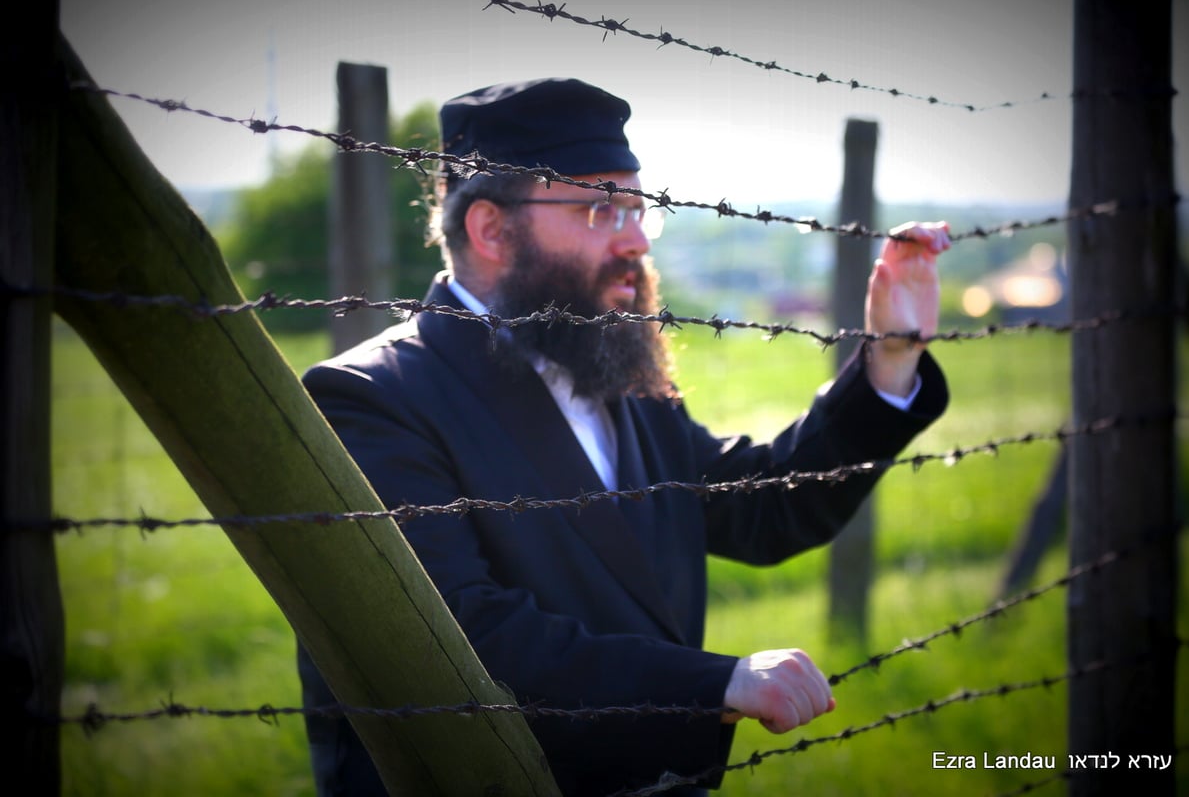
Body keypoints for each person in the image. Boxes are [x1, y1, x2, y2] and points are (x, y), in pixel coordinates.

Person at [296, 77, 951, 796]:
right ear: (490, 229)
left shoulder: (613, 368)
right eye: (600, 209)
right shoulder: (372, 399)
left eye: (640, 212)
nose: (637, 241)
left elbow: (764, 510)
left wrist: (889, 361)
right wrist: (715, 685)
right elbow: (460, 636)